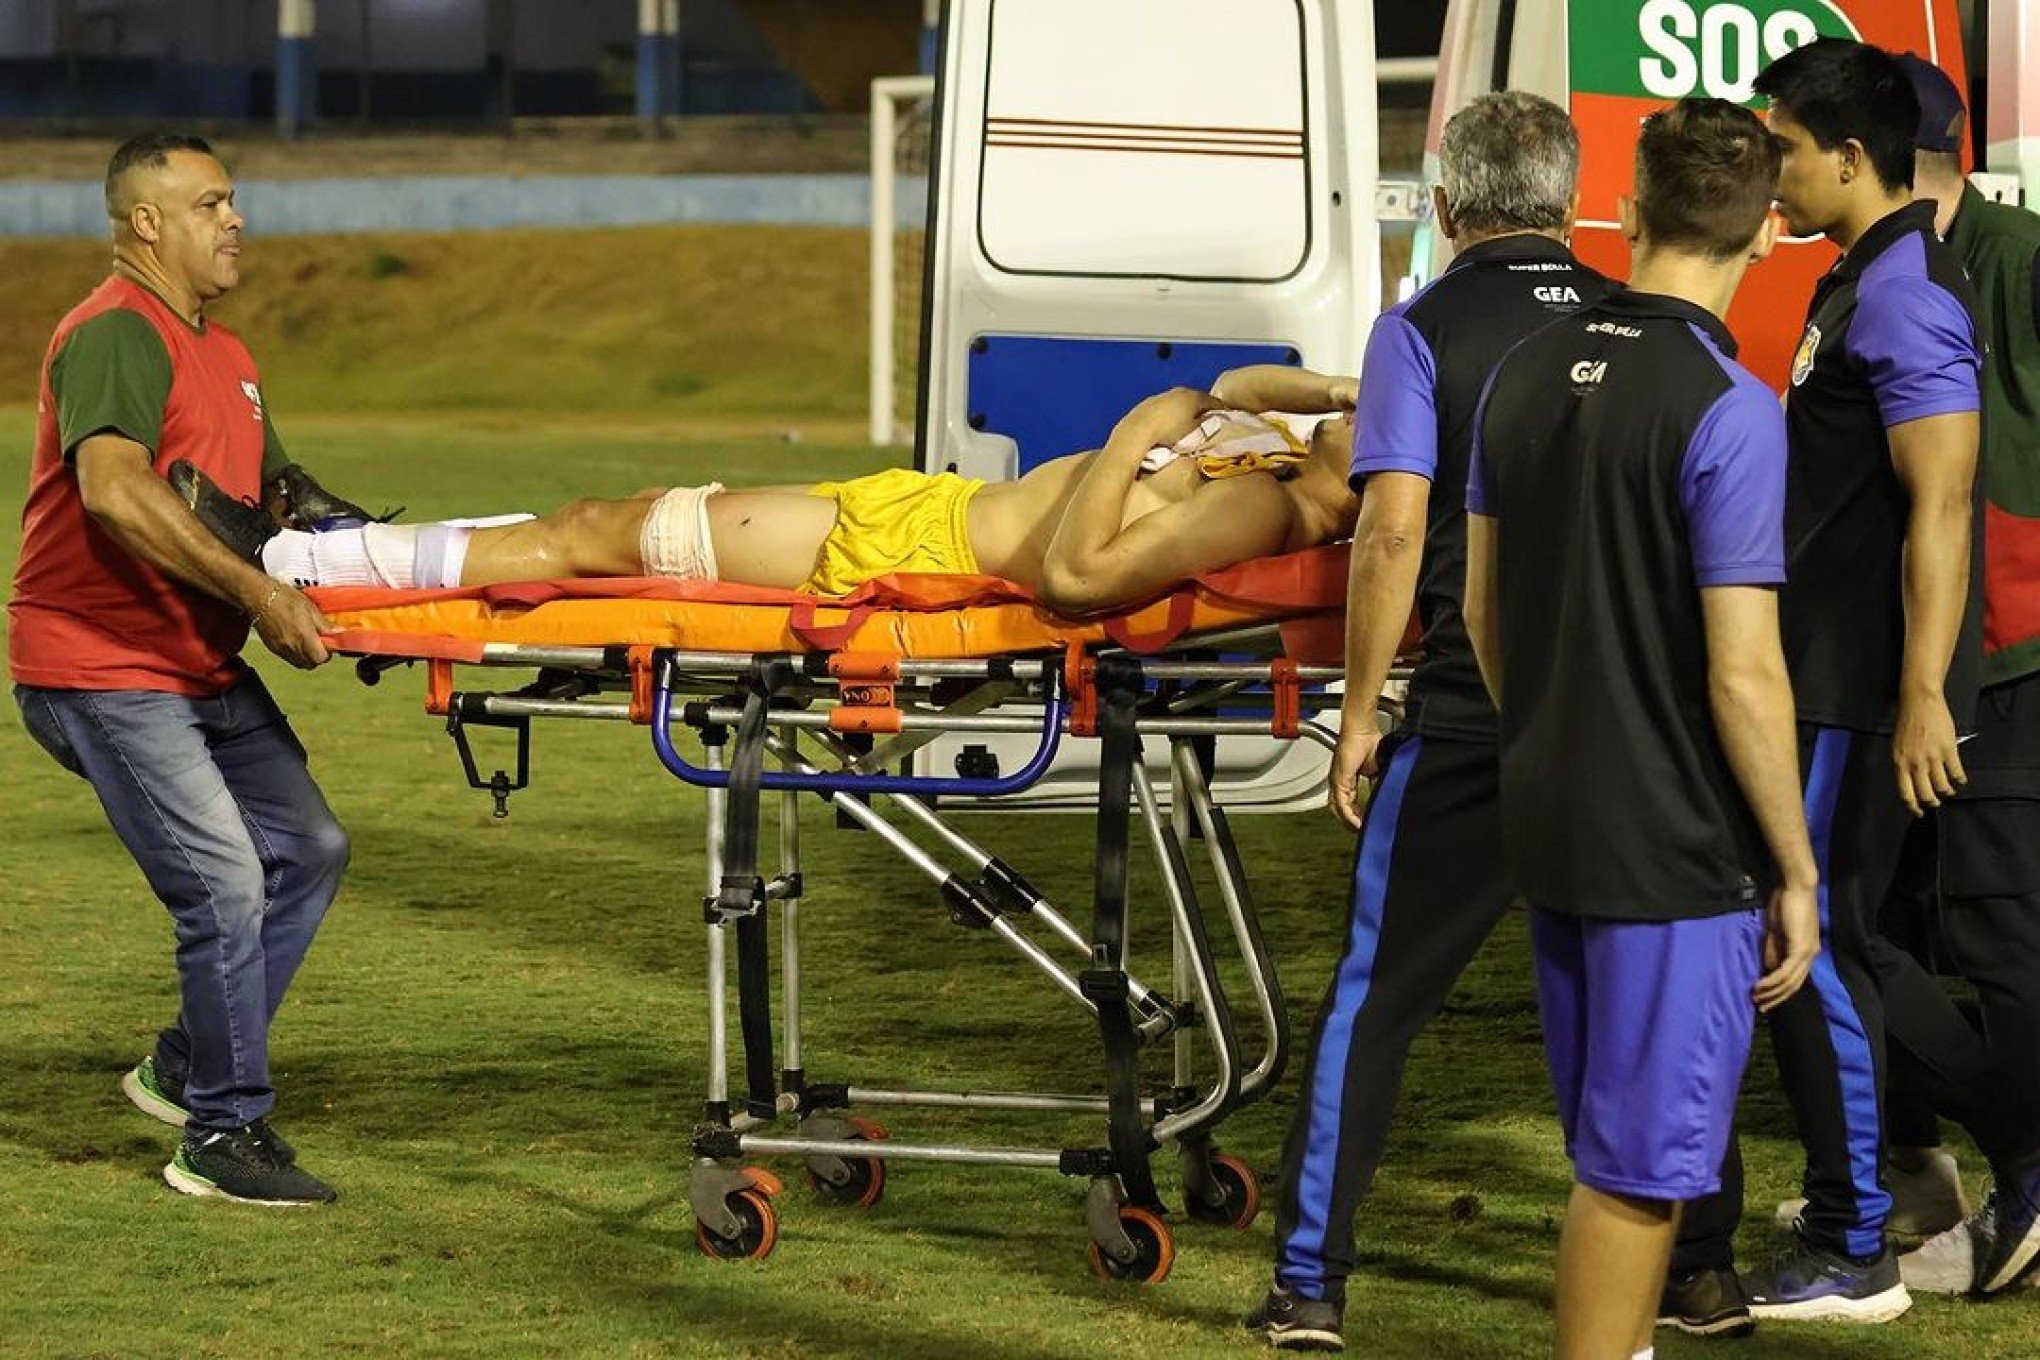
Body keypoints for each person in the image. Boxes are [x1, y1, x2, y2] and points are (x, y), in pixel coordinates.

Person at [1241, 90, 1614, 1352]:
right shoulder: (1646, 328)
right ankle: (1702, 1271)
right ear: (1568, 201)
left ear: (1446, 207)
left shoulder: (1423, 329)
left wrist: (1356, 715)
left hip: (1465, 721)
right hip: (1614, 732)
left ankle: (1311, 1282)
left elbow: (1392, 529)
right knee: (1636, 1002)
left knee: (1376, 999)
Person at [1464, 97, 1820, 1360]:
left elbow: (1480, 607)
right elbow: (1744, 676)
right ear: (1769, 232)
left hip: (1552, 811)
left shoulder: (1521, 368)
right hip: (1671, 847)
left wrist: (1559, 735)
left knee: (1609, 1148)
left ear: (1628, 201)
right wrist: (1794, 861)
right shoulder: (1730, 404)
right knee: (1641, 1169)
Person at [1671, 40, 1986, 1325]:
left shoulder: (1906, 294)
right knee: (1817, 941)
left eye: (1788, 148)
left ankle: (1857, 1241)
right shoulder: (1855, 282)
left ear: (1852, 158)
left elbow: (1944, 505)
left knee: (1821, 948)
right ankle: (1880, 1197)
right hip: (1826, 674)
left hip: (1852, 687)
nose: (1770, 172)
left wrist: (1919, 692)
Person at [9, 134, 356, 1205]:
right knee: (224, 881)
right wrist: (260, 595)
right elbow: (113, 489)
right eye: (211, 203)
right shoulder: (117, 330)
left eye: (234, 200)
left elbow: (278, 492)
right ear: (147, 223)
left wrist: (394, 581)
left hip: (191, 660)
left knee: (310, 846)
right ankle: (222, 1132)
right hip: (100, 663)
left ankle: (184, 1063)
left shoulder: (229, 353)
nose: (236, 219)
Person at [168, 372, 1363, 615]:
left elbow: (1075, 578)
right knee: (606, 516)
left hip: (914, 543)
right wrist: (1323, 386)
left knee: (602, 534)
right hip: (914, 503)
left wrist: (1141, 433)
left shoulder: (1271, 506)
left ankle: (307, 562)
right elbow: (1235, 380)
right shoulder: (1280, 439)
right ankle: (340, 541)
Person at [1867, 51, 2040, 1298]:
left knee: (1998, 935)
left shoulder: (2017, 257)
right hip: (1922, 660)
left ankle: (2028, 1192)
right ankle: (1919, 1168)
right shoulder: (1879, 268)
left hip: (2012, 661)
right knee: (1884, 920)